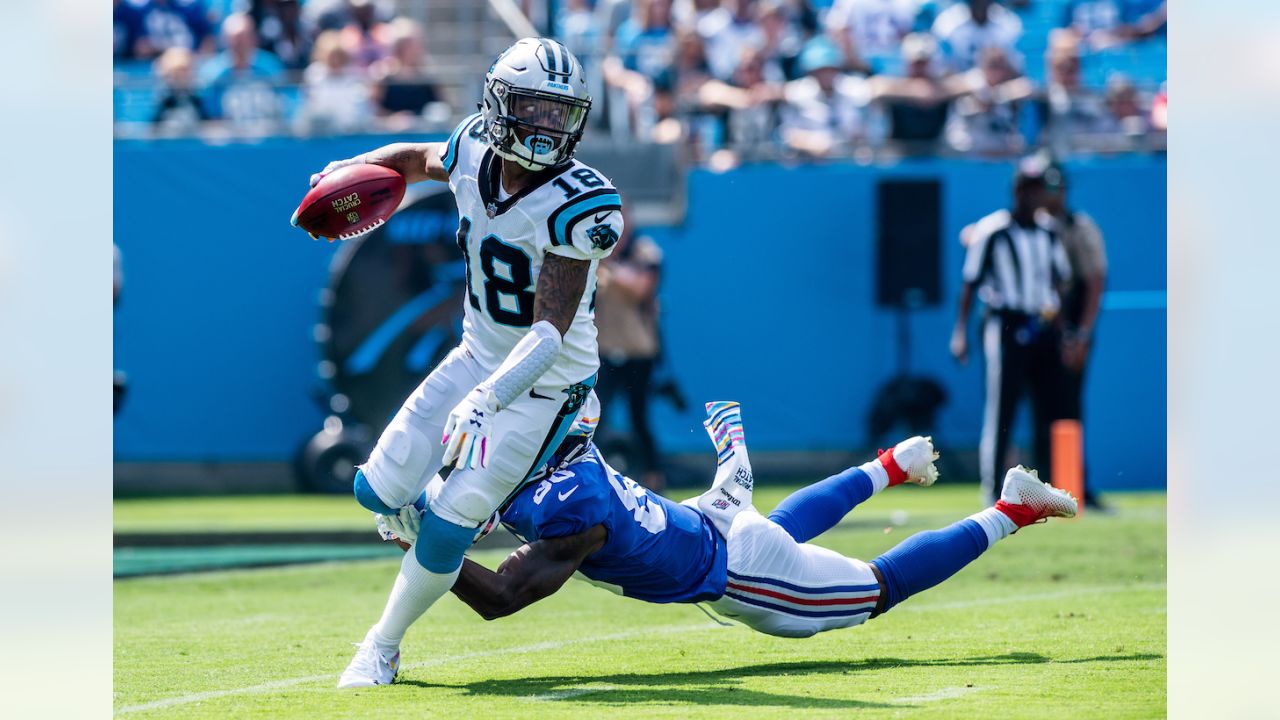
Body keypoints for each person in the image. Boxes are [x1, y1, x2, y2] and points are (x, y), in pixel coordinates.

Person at [294, 38, 625, 689]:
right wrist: (354, 164)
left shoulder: (582, 202)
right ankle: (422, 517)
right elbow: (415, 159)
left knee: (447, 528)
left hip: (545, 387)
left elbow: (550, 334)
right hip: (477, 355)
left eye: (560, 113)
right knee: (374, 491)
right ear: (500, 104)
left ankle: (382, 647)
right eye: (533, 107)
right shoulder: (473, 144)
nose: (546, 126)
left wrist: (488, 400)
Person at [375, 400, 1075, 658]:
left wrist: (422, 537)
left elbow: (503, 597)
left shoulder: (572, 508)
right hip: (710, 525)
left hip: (735, 572)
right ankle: (891, 465)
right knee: (779, 533)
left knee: (874, 590)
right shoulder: (570, 460)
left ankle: (1011, 506)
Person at [950, 154, 1072, 505]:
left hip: (1042, 323)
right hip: (1005, 322)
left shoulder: (1049, 232)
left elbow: (1060, 281)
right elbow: (970, 283)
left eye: (1042, 190)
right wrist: (959, 331)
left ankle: (1047, 487)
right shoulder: (993, 230)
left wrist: (1061, 330)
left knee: (1048, 406)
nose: (1038, 197)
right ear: (1018, 190)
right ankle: (992, 489)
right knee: (1002, 406)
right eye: (1032, 189)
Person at [1036, 157, 1109, 511]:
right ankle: (1039, 486)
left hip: (1068, 330)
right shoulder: (1028, 227)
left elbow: (1093, 282)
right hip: (1037, 329)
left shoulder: (1079, 227)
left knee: (1068, 407)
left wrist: (1080, 334)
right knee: (1039, 409)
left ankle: (1075, 483)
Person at [594, 212, 666, 490]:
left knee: (640, 419)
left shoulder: (643, 249)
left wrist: (606, 260)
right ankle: (593, 478)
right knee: (594, 417)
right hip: (604, 349)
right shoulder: (596, 254)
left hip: (638, 350)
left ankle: (654, 479)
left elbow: (641, 287)